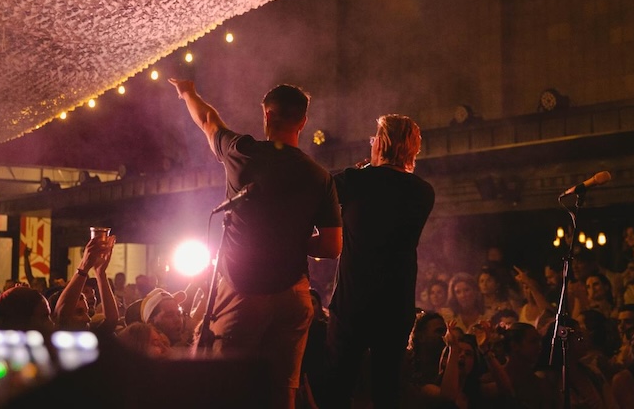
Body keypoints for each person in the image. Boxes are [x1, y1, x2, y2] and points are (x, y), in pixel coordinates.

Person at [168, 78, 342, 409]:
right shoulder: (320, 176)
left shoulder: (242, 151)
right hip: (294, 297)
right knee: (283, 393)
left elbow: (207, 120)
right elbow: (333, 247)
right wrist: (294, 240)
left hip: (242, 291)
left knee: (227, 385)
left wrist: (187, 92)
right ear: (303, 121)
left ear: (266, 114)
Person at [322, 113, 435, 409]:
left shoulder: (354, 180)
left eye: (374, 139)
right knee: (387, 392)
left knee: (337, 388)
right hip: (396, 305)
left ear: (380, 143)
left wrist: (364, 170)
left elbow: (322, 195)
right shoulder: (423, 192)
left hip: (353, 302)